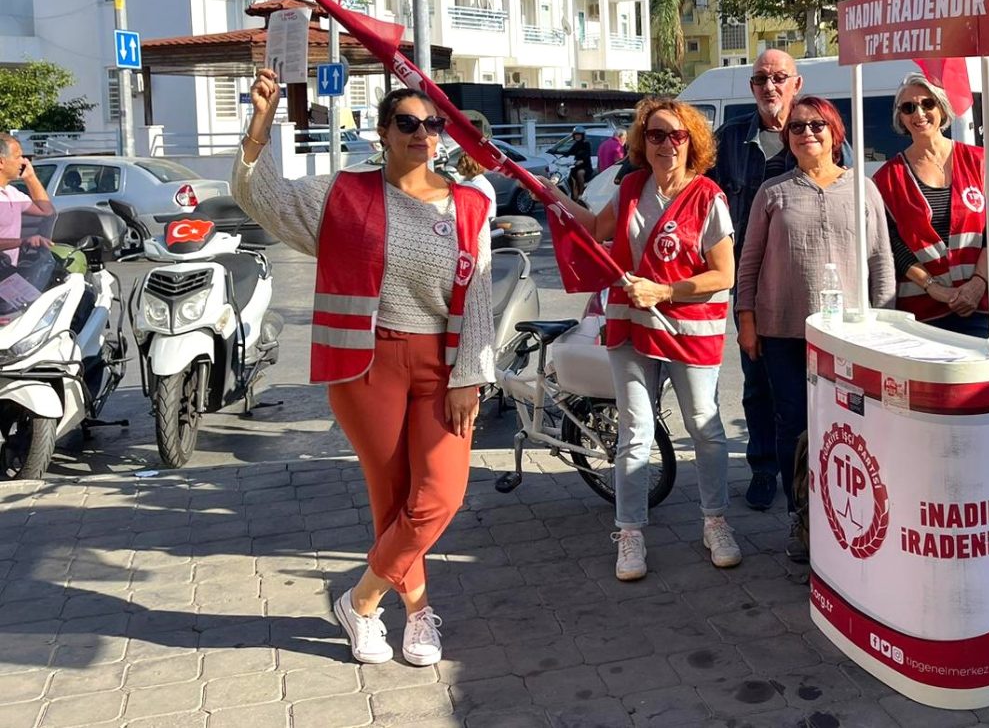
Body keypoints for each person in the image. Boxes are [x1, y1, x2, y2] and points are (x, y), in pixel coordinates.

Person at [232, 69, 493, 668]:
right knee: (392, 497)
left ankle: (361, 600)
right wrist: (261, 124)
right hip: (367, 363)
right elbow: (262, 197)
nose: (423, 134)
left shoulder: (469, 205)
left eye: (432, 125)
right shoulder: (342, 194)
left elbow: (476, 297)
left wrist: (468, 376)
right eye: (408, 123)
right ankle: (417, 613)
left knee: (441, 496)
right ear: (382, 133)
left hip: (442, 366)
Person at [546, 98, 741, 581]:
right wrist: (551, 193)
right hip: (630, 324)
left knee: (705, 427)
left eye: (676, 135)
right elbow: (594, 229)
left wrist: (666, 290)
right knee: (634, 431)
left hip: (689, 330)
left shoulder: (708, 196)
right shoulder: (631, 186)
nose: (667, 144)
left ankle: (715, 521)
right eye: (656, 135)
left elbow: (725, 274)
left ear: (691, 141)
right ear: (642, 142)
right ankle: (629, 532)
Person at [736, 96, 896, 562]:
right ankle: (803, 517)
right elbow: (748, 264)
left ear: (835, 133)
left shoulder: (863, 189)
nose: (807, 133)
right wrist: (747, 320)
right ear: (787, 138)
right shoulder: (773, 192)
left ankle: (852, 515)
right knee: (795, 424)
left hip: (851, 334)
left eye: (817, 125)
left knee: (852, 426)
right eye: (798, 127)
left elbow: (881, 262)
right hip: (785, 331)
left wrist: (883, 322)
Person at [711, 49, 803, 514]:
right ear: (751, 87)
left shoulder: (814, 134)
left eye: (779, 78)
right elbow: (693, 193)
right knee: (756, 383)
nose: (770, 87)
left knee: (812, 382)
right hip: (749, 284)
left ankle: (806, 471)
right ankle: (764, 469)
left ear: (796, 85)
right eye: (761, 79)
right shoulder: (727, 139)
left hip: (805, 283)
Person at [873, 73, 989, 338]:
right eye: (908, 107)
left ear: (941, 107)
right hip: (922, 313)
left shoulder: (978, 161)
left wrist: (978, 283)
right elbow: (891, 245)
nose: (919, 113)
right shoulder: (887, 178)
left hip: (978, 306)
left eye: (927, 103)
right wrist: (933, 287)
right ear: (900, 118)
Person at [0, 133, 55, 262]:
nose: (24, 161)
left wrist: (30, 177)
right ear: (1, 162)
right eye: (18, 156)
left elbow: (46, 211)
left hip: (7, 273)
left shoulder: (13, 194)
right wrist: (22, 241)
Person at [455, 153, 497, 221]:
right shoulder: (481, 182)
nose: (457, 166)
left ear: (466, 166)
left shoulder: (475, 186)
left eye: (460, 163)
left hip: (482, 224)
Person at [566, 125, 594, 199]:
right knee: (569, 174)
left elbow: (587, 154)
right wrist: (562, 156)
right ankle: (572, 193)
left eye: (579, 135)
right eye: (576, 135)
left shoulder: (586, 144)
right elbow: (568, 153)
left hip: (585, 167)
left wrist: (581, 160)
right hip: (575, 166)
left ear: (582, 135)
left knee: (580, 173)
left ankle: (581, 194)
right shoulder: (575, 145)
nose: (577, 136)